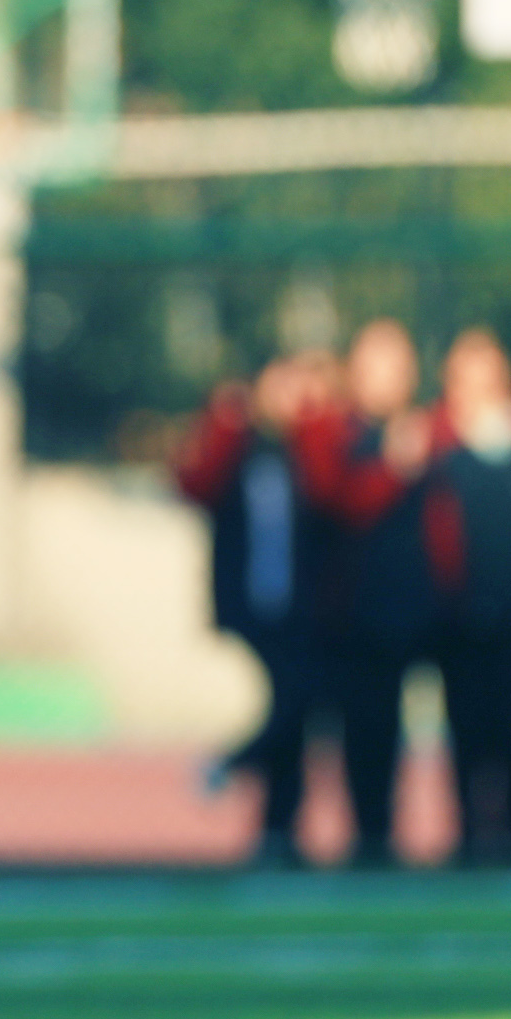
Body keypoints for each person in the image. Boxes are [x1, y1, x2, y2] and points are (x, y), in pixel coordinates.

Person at [174, 352, 331, 865]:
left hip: (300, 607)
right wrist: (224, 421)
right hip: (251, 604)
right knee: (291, 705)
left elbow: (332, 498)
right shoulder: (239, 445)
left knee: (295, 712)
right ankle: (249, 790)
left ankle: (277, 830)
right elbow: (192, 483)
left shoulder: (306, 449)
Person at [296, 320, 435, 866]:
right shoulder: (337, 432)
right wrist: (393, 469)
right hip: (351, 614)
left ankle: (457, 841)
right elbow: (337, 502)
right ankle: (364, 837)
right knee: (356, 731)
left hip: (415, 612)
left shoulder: (425, 431)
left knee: (407, 732)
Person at [427, 329, 511, 864]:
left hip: (508, 606)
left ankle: (510, 833)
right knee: (464, 728)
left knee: (504, 725)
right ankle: (469, 834)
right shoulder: (436, 441)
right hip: (455, 611)